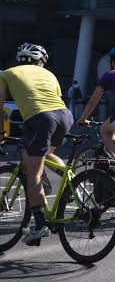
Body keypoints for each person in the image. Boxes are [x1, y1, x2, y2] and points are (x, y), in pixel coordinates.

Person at [0, 43, 74, 244]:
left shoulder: (7, 73)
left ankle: (40, 225)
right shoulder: (49, 74)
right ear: (40, 61)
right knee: (45, 154)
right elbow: (55, 98)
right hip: (65, 116)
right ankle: (72, 183)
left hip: (39, 118)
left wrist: (1, 132)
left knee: (33, 173)